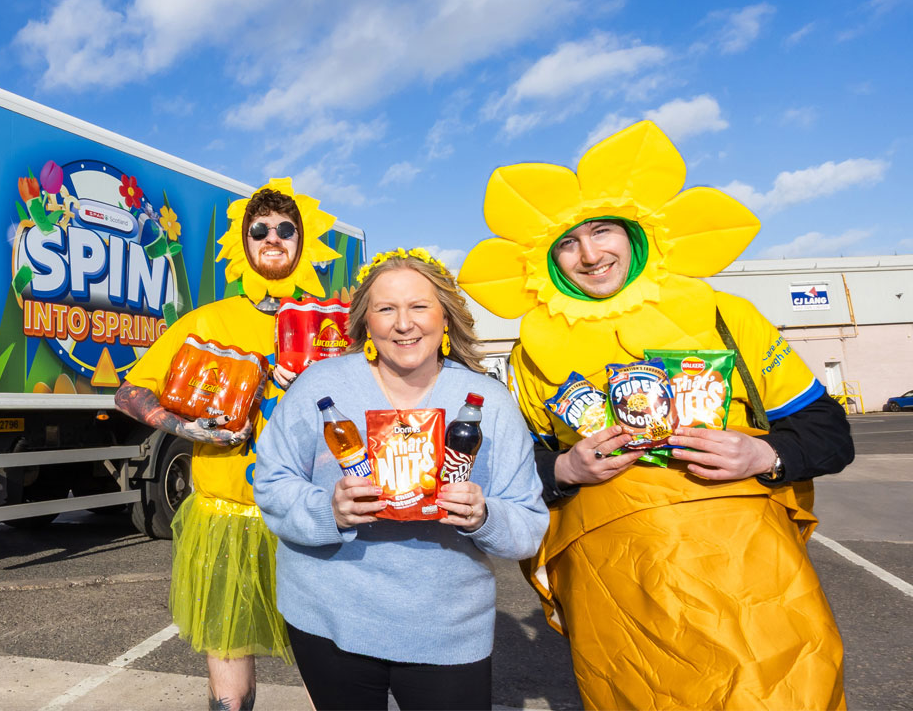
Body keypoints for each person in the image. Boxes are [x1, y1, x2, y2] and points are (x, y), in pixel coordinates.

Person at [458, 120, 854, 710]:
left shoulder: (725, 315)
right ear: (545, 259)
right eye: (568, 242)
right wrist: (564, 469)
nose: (589, 255)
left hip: (749, 576)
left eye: (602, 231)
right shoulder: (530, 355)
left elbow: (829, 433)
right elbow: (515, 473)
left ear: (636, 233)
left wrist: (765, 453)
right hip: (616, 588)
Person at [254, 248, 549, 711]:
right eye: (385, 308)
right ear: (366, 322)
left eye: (419, 306)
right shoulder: (320, 388)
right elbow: (271, 484)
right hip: (330, 618)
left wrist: (483, 516)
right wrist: (327, 510)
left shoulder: (488, 402)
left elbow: (528, 526)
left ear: (446, 316)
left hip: (447, 629)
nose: (403, 323)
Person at [114, 178, 341, 711]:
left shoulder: (331, 323)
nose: (273, 238)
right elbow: (130, 391)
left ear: (304, 243)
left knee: (327, 654)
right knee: (228, 653)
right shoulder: (210, 320)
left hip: (310, 512)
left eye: (287, 230)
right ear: (243, 244)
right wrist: (188, 429)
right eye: (259, 229)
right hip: (225, 516)